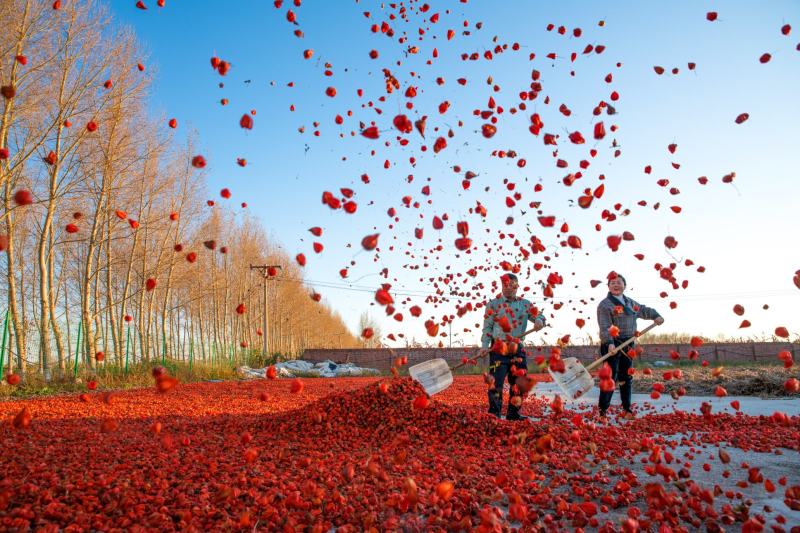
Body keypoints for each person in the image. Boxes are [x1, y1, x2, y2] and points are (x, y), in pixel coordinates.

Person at [478, 273, 546, 421]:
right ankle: (494, 414)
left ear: (517, 286)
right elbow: (487, 327)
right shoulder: (493, 304)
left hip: (517, 348)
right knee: (496, 383)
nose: (507, 288)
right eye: (504, 285)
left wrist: (539, 321)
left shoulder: (525, 304)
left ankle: (513, 413)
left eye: (511, 285)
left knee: (519, 383)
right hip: (498, 348)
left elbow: (540, 316)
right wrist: (484, 345)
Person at [597, 273, 664, 419]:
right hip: (612, 344)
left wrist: (656, 316)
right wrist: (608, 343)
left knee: (626, 376)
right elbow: (604, 326)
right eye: (612, 283)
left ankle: (627, 410)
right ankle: (602, 412)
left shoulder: (629, 303)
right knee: (609, 378)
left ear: (624, 286)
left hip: (628, 343)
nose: (616, 285)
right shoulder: (605, 305)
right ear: (608, 286)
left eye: (619, 282)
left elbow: (643, 310)